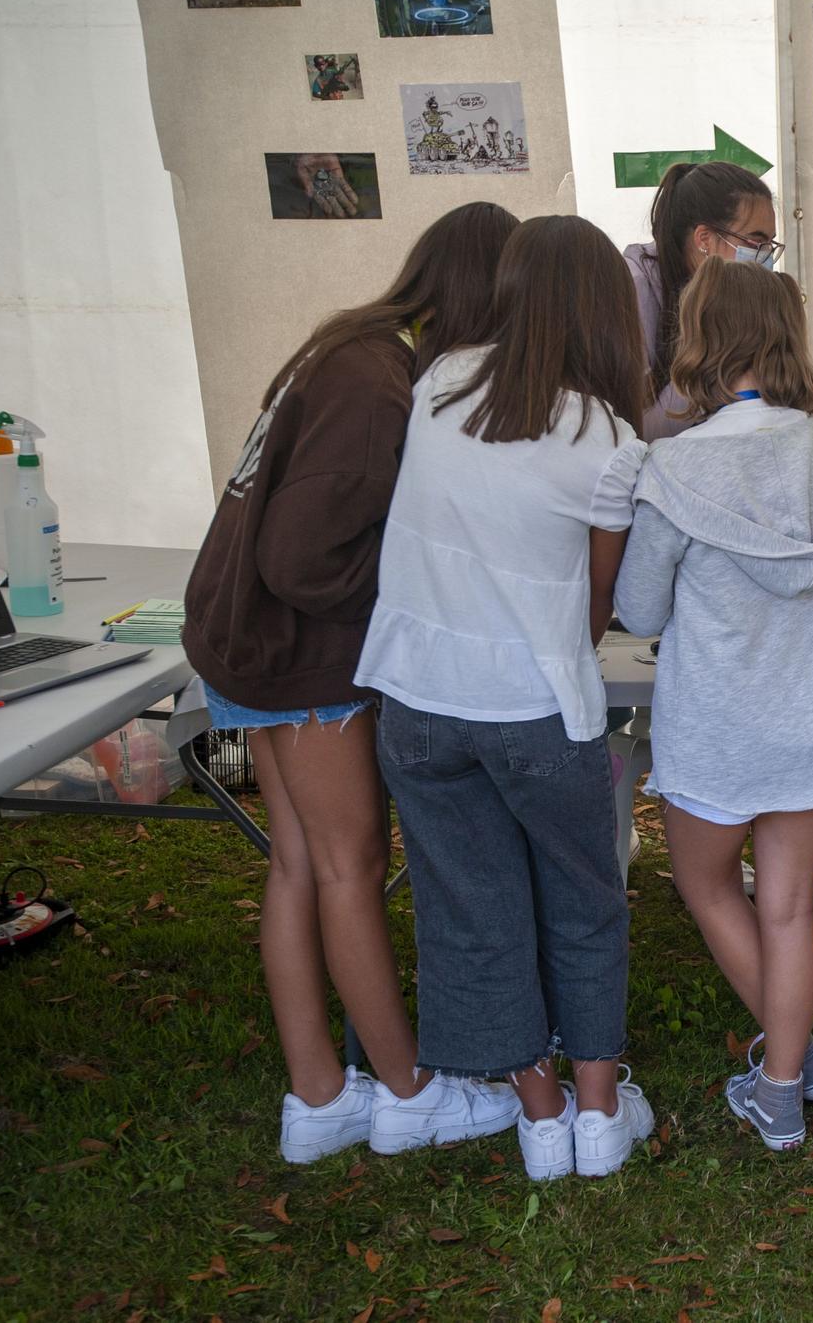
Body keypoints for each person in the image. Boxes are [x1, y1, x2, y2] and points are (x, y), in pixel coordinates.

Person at [183, 200, 519, 1165]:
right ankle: (409, 1091)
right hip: (298, 654)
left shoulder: (350, 343)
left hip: (241, 632)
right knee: (349, 863)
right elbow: (305, 556)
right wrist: (413, 588)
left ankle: (319, 1094)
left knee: (297, 863)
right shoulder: (377, 386)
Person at [355, 215, 653, 1181]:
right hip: (535, 707)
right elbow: (601, 603)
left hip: (416, 704)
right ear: (609, 313)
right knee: (583, 899)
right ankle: (599, 1113)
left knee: (467, 902)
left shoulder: (437, 383)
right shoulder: (608, 440)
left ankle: (537, 1109)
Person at [614, 258, 813, 1152]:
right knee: (788, 904)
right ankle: (785, 1073)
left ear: (702, 338)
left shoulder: (675, 466)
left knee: (704, 881)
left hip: (719, 723)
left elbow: (641, 610)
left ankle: (787, 1070)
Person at [624, 161, 782, 442]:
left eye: (770, 244)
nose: (765, 257)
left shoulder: (741, 299)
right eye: (755, 242)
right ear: (705, 239)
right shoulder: (635, 288)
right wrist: (714, 344)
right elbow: (639, 432)